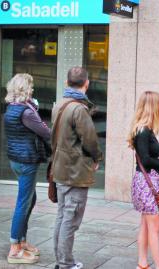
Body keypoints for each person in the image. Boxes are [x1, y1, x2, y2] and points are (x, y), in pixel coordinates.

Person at [51, 67, 103, 269]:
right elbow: (89, 140)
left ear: (67, 82)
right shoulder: (78, 109)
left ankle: (60, 260)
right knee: (70, 220)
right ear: (86, 83)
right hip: (75, 171)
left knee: (62, 216)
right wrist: (97, 157)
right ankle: (65, 263)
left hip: (61, 169)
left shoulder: (60, 105)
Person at [4, 73, 51, 264]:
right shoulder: (27, 112)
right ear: (26, 89)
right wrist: (43, 123)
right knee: (23, 202)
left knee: (30, 198)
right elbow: (46, 133)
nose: (33, 89)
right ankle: (15, 248)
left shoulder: (11, 108)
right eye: (31, 86)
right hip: (26, 161)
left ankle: (22, 241)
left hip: (16, 160)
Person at [127, 91, 159, 269]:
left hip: (146, 183)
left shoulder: (145, 129)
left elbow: (149, 155)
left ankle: (142, 264)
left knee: (146, 226)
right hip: (146, 184)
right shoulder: (143, 131)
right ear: (152, 107)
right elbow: (146, 159)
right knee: (155, 227)